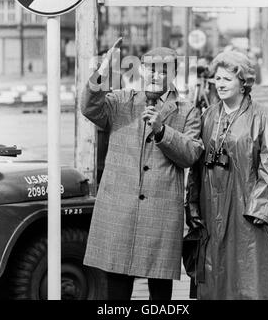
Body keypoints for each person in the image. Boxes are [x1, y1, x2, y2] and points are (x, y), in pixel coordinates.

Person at [81, 38, 203, 300]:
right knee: (116, 287)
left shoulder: (187, 111)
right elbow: (89, 107)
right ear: (142, 71)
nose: (157, 74)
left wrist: (162, 130)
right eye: (151, 68)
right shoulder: (122, 101)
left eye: (164, 69)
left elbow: (191, 154)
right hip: (119, 211)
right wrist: (103, 71)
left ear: (174, 73)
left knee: (160, 291)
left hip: (161, 214)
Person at [186, 50, 268, 300]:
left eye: (227, 79)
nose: (220, 84)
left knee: (249, 279)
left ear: (243, 83)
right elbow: (196, 166)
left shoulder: (263, 117)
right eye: (217, 79)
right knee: (214, 279)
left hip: (247, 215)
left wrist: (258, 210)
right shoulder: (207, 116)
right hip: (211, 210)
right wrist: (193, 208)